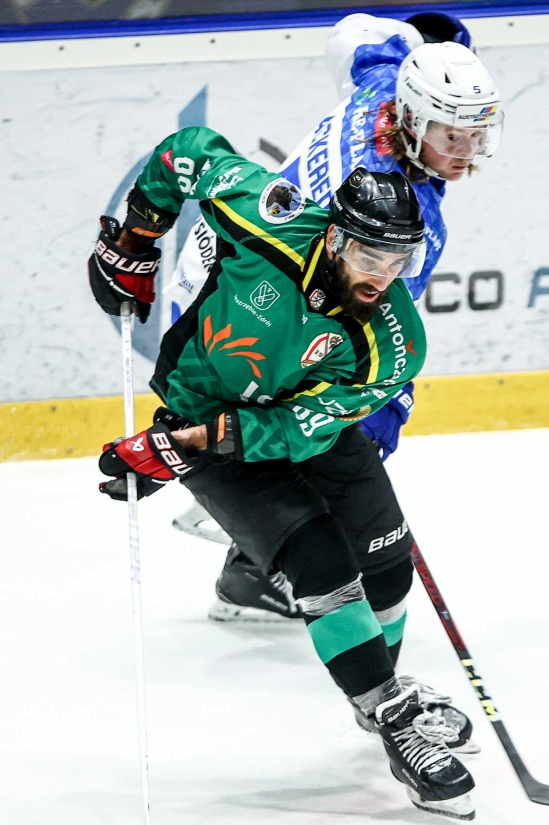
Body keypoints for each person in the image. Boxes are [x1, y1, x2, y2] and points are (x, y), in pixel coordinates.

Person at [86, 125, 476, 819]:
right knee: (321, 562)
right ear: (335, 237)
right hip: (206, 409)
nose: (382, 275)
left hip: (291, 423)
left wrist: (189, 447)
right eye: (369, 254)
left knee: (388, 560)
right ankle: (392, 716)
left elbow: (299, 428)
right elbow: (189, 151)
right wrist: (138, 236)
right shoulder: (271, 219)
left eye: (399, 259)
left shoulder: (395, 341)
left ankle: (377, 692)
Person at [170, 13, 504, 635]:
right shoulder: (404, 217)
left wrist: (436, 46)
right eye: (451, 134)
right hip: (247, 305)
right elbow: (365, 336)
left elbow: (356, 32)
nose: (465, 150)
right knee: (336, 430)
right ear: (414, 120)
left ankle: (242, 533)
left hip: (223, 260)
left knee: (321, 427)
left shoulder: (383, 87)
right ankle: (247, 545)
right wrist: (373, 420)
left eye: (476, 133)